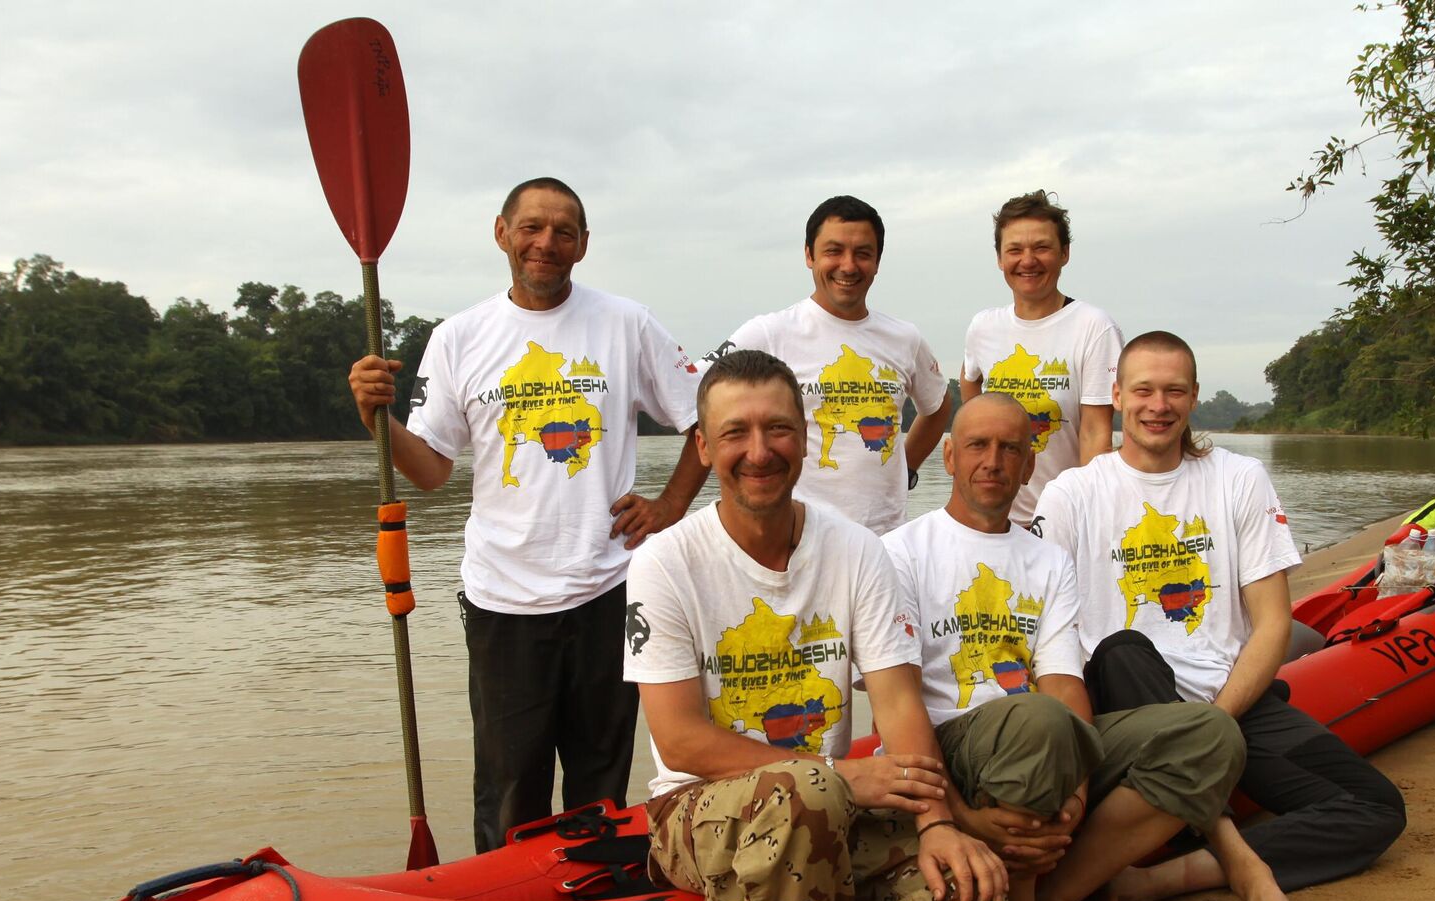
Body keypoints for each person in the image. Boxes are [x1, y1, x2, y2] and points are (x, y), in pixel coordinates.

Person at [624, 348, 1006, 901]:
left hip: (819, 810)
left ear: (806, 438)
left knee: (975, 894)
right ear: (702, 447)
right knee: (812, 787)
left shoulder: (856, 550)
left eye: (777, 430)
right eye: (735, 433)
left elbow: (899, 706)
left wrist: (936, 823)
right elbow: (681, 738)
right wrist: (840, 778)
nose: (758, 452)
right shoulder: (666, 561)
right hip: (695, 819)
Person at [884, 394, 1315, 901]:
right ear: (948, 456)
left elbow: (1064, 681)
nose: (993, 461)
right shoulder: (898, 555)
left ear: (1031, 464)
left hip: (1041, 739)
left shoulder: (1047, 561)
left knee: (1209, 734)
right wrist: (953, 811)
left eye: (1011, 448)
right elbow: (895, 702)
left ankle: (1061, 900)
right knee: (1035, 716)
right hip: (960, 743)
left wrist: (1079, 790)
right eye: (977, 446)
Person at [348, 177, 709, 852]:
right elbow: (430, 470)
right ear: (502, 233)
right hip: (502, 602)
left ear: (582, 245)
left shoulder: (626, 323)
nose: (546, 243)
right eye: (532, 228)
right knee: (510, 789)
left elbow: (704, 419)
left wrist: (670, 506)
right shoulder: (459, 337)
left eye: (563, 231)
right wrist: (378, 417)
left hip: (609, 589)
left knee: (601, 783)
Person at [1035, 331, 1407, 901]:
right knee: (1123, 648)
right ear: (1115, 395)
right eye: (1144, 390)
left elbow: (1273, 624)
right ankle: (1237, 853)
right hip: (1129, 708)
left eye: (1174, 391)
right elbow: (1043, 631)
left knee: (1377, 807)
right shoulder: (1072, 494)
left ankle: (1153, 882)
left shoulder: (1238, 478)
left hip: (1229, 701)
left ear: (1194, 396)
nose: (1159, 405)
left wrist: (1218, 724)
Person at [712, 195, 949, 535]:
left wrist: (905, 468)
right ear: (809, 255)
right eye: (833, 251)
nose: (848, 266)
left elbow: (938, 407)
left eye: (863, 253)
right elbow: (694, 393)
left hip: (887, 540)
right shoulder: (769, 333)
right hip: (799, 539)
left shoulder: (905, 338)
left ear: (878, 261)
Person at [960, 190, 1123, 528]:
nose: (1028, 261)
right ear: (1000, 259)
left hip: (1064, 521)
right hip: (994, 520)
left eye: (1042, 248)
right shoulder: (983, 327)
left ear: (1064, 253)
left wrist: (1085, 518)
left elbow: (1095, 434)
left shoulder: (1094, 327)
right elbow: (969, 381)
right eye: (1015, 250)